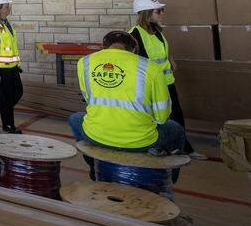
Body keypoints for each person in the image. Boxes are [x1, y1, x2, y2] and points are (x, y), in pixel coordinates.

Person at [68, 30, 187, 180]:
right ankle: (168, 178)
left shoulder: (84, 63)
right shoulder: (150, 67)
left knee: (75, 119)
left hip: (97, 134)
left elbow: (88, 98)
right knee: (176, 129)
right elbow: (162, 117)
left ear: (104, 47)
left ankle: (93, 166)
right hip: (141, 141)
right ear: (133, 49)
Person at [129, 0, 195, 155]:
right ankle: (160, 146)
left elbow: (159, 52)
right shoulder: (134, 35)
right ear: (146, 12)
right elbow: (137, 63)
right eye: (159, 10)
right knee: (157, 118)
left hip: (167, 82)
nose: (162, 13)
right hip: (152, 87)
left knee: (176, 116)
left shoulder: (156, 31)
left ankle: (182, 147)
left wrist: (170, 59)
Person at [0, 0, 23, 133]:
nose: (9, 8)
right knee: (6, 98)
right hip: (0, 68)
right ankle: (8, 126)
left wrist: (16, 64)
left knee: (18, 92)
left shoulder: (6, 23)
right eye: (6, 6)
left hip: (12, 67)